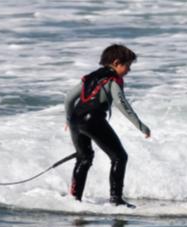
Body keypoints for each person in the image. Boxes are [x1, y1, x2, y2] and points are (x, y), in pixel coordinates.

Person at [63, 44, 151, 208]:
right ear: (117, 63)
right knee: (119, 157)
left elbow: (69, 99)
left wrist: (68, 120)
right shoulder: (113, 79)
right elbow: (121, 103)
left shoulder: (89, 77)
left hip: (76, 119)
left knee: (83, 159)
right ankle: (116, 199)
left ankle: (74, 199)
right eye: (128, 66)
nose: (129, 70)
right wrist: (141, 126)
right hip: (93, 120)